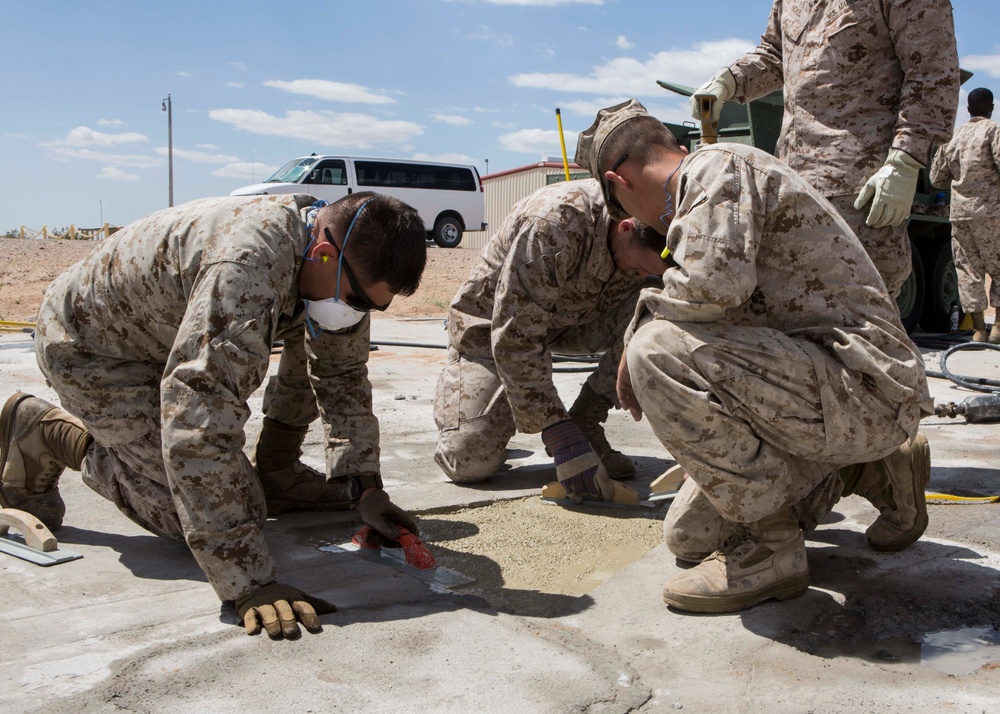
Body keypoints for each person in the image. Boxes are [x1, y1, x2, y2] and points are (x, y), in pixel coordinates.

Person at [0, 192, 427, 639]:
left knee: (317, 337)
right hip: (92, 349)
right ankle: (47, 434)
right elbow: (198, 420)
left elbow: (342, 374)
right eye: (358, 300)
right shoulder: (246, 269)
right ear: (323, 254)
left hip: (164, 331)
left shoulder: (333, 260)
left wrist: (366, 486)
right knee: (187, 513)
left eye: (374, 308)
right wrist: (249, 583)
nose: (360, 313)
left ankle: (277, 473)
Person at [574, 99, 933, 613]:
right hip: (825, 393)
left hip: (864, 387)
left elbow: (710, 287)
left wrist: (638, 333)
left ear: (620, 182)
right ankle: (870, 469)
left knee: (657, 350)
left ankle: (771, 548)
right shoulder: (707, 185)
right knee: (688, 537)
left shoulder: (715, 167)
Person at [690, 0, 959, 297]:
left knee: (862, 311)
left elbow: (932, 73)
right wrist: (729, 80)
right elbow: (774, 54)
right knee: (791, 307)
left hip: (858, 190)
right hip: (790, 183)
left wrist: (905, 162)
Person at [433, 179, 655, 500]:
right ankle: (468, 401)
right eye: (638, 267)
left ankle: (587, 420)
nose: (639, 276)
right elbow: (515, 334)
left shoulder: (667, 221)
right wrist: (558, 433)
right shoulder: (556, 222)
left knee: (657, 313)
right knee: (468, 459)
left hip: (573, 321)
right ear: (624, 229)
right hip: (491, 329)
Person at [930, 87, 1000, 344]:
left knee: (968, 270)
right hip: (992, 212)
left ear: (968, 109)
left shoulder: (953, 137)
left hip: (960, 215)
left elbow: (936, 179)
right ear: (991, 107)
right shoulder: (994, 131)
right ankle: (998, 328)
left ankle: (979, 329)